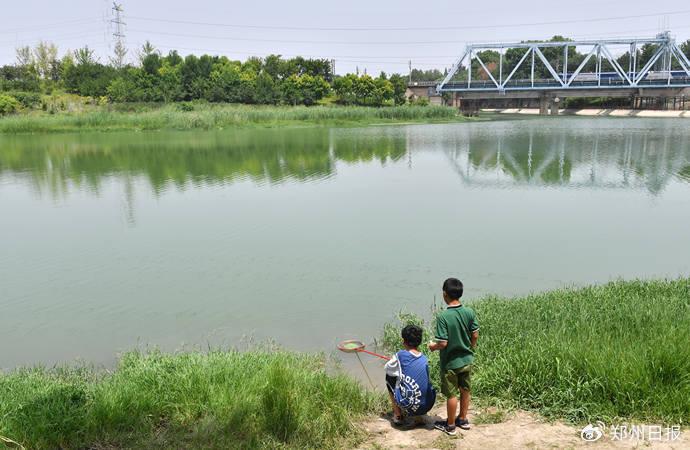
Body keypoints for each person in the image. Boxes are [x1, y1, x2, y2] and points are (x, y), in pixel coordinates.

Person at [428, 278, 479, 436]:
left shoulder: (443, 316)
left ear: (444, 294)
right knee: (465, 389)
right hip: (467, 360)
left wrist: (432, 346)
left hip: (450, 363)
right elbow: (475, 334)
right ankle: (462, 419)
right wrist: (471, 347)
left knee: (451, 394)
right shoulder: (469, 312)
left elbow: (443, 343)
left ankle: (450, 425)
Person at [384, 324, 436, 427]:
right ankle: (420, 414)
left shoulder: (400, 355)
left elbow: (388, 368)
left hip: (410, 406)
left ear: (404, 341)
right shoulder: (424, 358)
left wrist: (394, 360)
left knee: (388, 377)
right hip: (427, 405)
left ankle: (398, 415)